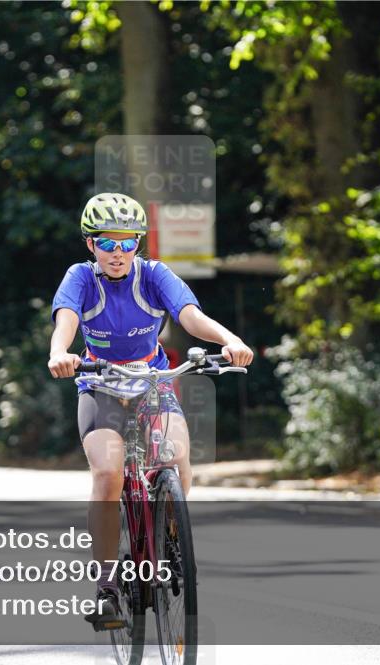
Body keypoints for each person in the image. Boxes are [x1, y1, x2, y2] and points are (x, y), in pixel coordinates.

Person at [47, 193, 253, 629]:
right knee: (108, 473)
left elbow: (190, 315)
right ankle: (107, 587)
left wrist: (229, 340)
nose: (117, 252)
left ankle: (171, 534)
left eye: (127, 242)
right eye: (107, 242)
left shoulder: (155, 274)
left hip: (151, 381)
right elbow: (66, 317)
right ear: (91, 244)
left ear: (138, 243)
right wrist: (60, 352)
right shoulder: (81, 278)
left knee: (176, 454)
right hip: (100, 384)